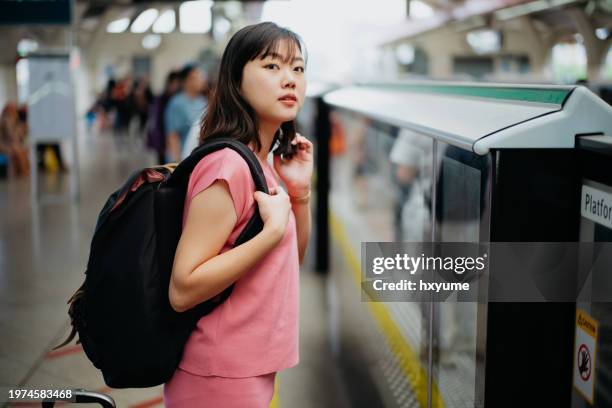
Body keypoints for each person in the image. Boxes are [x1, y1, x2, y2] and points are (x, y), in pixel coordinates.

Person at [163, 22, 312, 408]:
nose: (290, 79)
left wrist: (300, 195)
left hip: (249, 368)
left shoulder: (263, 163)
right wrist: (269, 233)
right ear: (235, 79)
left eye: (297, 68)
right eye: (271, 66)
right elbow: (183, 289)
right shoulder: (227, 165)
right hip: (219, 378)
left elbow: (284, 265)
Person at [164, 65, 207, 162]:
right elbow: (173, 135)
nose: (201, 80)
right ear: (187, 81)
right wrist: (177, 162)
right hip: (183, 157)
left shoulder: (203, 101)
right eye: (196, 77)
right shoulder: (177, 103)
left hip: (197, 157)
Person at [147, 71, 180, 164]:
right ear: (170, 83)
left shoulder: (176, 98)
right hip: (162, 140)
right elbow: (157, 122)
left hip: (171, 139)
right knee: (163, 168)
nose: (177, 86)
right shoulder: (161, 99)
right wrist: (161, 144)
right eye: (175, 83)